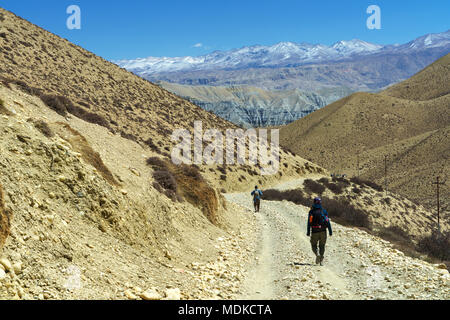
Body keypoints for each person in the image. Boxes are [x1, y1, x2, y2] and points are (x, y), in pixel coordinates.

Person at [307, 197, 332, 265]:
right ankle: (321, 260)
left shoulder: (311, 212)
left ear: (314, 202)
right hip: (323, 231)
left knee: (313, 245)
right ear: (320, 202)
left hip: (314, 231)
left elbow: (309, 222)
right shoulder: (324, 211)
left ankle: (317, 254)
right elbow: (327, 221)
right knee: (322, 246)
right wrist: (330, 231)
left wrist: (308, 231)